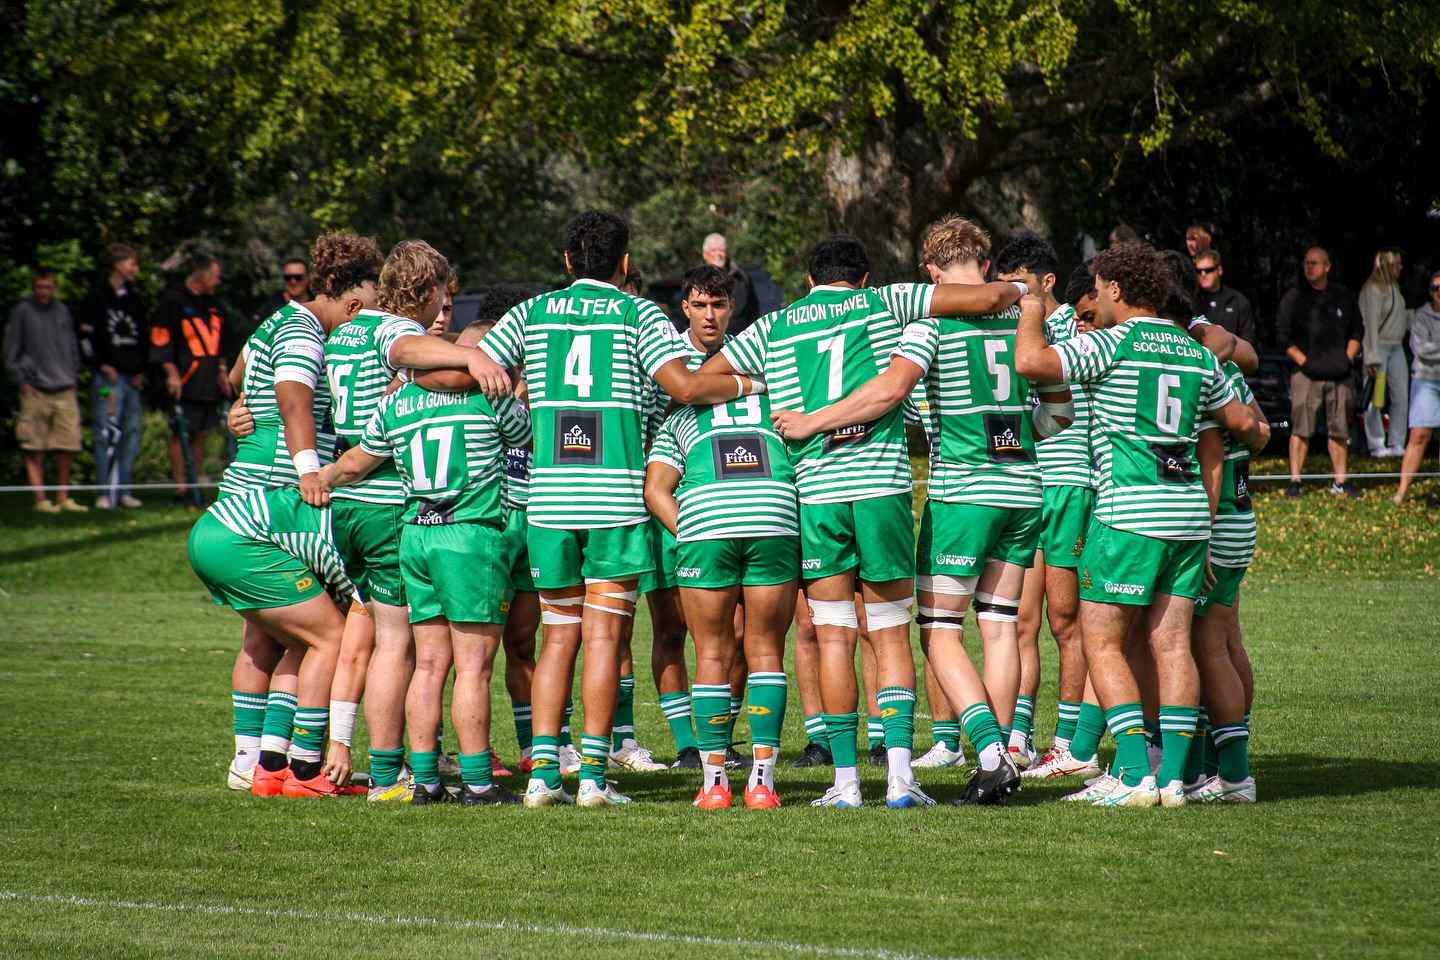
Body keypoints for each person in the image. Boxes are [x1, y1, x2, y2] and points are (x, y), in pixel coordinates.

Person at [711, 232, 1025, 808]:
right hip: (881, 489)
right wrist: (1021, 287)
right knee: (889, 631)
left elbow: (708, 375)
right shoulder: (886, 302)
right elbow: (985, 300)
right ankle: (903, 781)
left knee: (833, 635)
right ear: (862, 277)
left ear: (808, 281)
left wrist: (763, 387)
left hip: (820, 493)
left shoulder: (773, 325)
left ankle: (846, 784)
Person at [466, 210, 764, 808]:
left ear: (569, 263)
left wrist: (472, 360)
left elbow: (474, 360)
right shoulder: (637, 313)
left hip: (549, 504)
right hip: (615, 503)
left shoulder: (530, 313)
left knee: (558, 639)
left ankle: (545, 777)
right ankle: (595, 781)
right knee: (604, 639)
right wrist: (749, 386)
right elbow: (683, 388)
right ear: (625, 264)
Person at [1014, 242, 1263, 808]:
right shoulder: (1196, 351)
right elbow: (1235, 429)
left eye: (1098, 287)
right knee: (1173, 646)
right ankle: (1174, 780)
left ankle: (1132, 776)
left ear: (1117, 290)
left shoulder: (1111, 342)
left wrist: (1031, 306)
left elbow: (1031, 363)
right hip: (1189, 517)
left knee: (1104, 645)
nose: (1094, 296)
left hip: (1128, 513)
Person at [320, 320, 531, 806]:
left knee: (429, 665)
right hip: (471, 533)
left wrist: (320, 476)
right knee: (473, 668)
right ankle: (479, 782)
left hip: (416, 533)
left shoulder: (396, 401)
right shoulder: (491, 395)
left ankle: (426, 781)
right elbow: (529, 438)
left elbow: (357, 462)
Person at [218, 231, 384, 793]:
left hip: (243, 494)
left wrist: (238, 411)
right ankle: (308, 764)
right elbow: (292, 394)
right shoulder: (303, 328)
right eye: (367, 302)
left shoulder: (273, 320)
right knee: (333, 633)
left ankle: (257, 760)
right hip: (275, 496)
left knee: (270, 637)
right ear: (351, 298)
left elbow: (240, 378)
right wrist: (311, 468)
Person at [644, 327, 800, 808]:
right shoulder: (782, 400)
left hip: (707, 521)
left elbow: (656, 490)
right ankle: (763, 784)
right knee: (766, 650)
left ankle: (714, 786)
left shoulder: (683, 414)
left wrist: (690, 529)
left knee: (710, 653)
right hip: (773, 515)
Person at [188, 484, 354, 797]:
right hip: (240, 540)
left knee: (299, 644)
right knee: (331, 639)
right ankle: (305, 768)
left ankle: (266, 767)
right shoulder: (354, 535)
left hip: (213, 528)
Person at [1276, 247, 1364, 499]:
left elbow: (1357, 331)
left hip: (1339, 375)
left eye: (1314, 263)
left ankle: (1340, 481)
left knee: (1339, 430)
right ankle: (1295, 481)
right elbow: (1282, 334)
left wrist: (1346, 358)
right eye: (1305, 263)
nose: (1308, 267)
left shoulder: (1343, 296)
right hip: (1306, 375)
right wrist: (1304, 362)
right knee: (1301, 428)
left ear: (1327, 266)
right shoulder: (1294, 297)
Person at [150, 254, 231, 506]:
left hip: (207, 380)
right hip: (184, 380)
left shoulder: (213, 304)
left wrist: (222, 370)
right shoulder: (173, 301)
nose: (217, 283)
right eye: (215, 277)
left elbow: (221, 342)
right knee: (181, 430)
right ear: (202, 276)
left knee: (202, 432)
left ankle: (194, 484)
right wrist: (171, 374)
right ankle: (180, 487)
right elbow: (161, 339)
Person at [4, 268, 87, 512]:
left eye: (48, 287)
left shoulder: (62, 310)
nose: (44, 292)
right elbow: (10, 351)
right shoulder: (22, 312)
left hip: (64, 387)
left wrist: (73, 375)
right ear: (33, 287)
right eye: (39, 287)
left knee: (68, 443)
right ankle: (39, 498)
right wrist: (21, 381)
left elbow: (73, 345)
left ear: (55, 287)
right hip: (35, 389)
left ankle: (63, 497)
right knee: (34, 445)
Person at [77, 244, 148, 509]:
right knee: (105, 433)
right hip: (108, 379)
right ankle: (104, 493)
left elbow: (143, 336)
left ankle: (124, 490)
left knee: (132, 432)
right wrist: (101, 364)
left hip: (132, 379)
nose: (136, 270)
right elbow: (85, 337)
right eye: (132, 264)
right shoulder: (96, 296)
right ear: (118, 264)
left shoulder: (134, 298)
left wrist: (142, 370)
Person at [1393, 271, 1440, 505]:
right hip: (1426, 382)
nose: (1439, 292)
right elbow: (1422, 350)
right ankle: (1402, 492)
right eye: (1435, 287)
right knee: (1419, 434)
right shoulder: (1421, 316)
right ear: (1430, 291)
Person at [1360, 248, 1410, 458]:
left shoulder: (1393, 288)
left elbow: (1400, 318)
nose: (1400, 268)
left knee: (1401, 394)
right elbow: (1369, 325)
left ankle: (1397, 441)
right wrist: (1371, 355)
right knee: (1375, 397)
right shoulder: (1373, 289)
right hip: (1378, 346)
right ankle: (1376, 443)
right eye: (1396, 264)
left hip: (1396, 346)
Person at [1196, 250, 1257, 346]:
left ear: (1219, 270)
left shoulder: (1237, 300)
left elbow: (1248, 339)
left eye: (1208, 270)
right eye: (1199, 271)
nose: (1203, 274)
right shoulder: (1192, 301)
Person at [702, 233, 760, 334]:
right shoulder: (694, 280)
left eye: (722, 250)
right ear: (705, 254)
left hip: (738, 339)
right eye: (714, 250)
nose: (718, 254)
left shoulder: (740, 278)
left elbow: (749, 313)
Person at [253, 258, 311, 326]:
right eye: (288, 278)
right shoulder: (270, 306)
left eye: (298, 277)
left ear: (307, 278)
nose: (293, 282)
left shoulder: (317, 303)